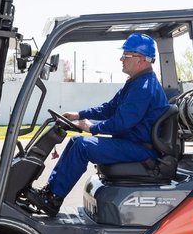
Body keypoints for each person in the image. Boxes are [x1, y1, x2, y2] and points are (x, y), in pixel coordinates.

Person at [21, 33, 170, 217]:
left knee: (82, 146)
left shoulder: (144, 87)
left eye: (126, 55)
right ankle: (51, 192)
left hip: (140, 148)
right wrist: (79, 114)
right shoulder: (135, 83)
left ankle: (53, 199)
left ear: (141, 59)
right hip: (132, 143)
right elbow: (108, 108)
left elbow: (122, 122)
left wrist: (91, 128)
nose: (121, 59)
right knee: (77, 143)